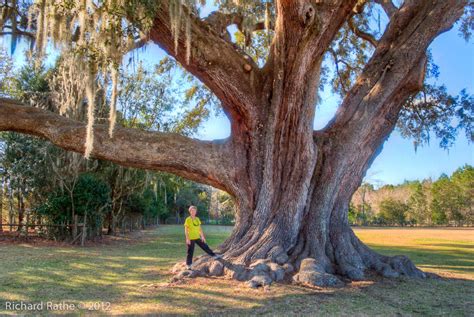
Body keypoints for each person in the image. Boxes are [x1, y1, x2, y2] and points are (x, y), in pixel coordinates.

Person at [184, 205, 221, 270]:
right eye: (192, 211)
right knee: (190, 252)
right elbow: (186, 230)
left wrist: (202, 237)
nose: (193, 212)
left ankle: (214, 255)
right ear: (190, 212)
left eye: (194, 211)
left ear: (196, 212)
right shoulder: (188, 220)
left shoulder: (197, 219)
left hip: (197, 237)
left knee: (205, 246)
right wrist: (187, 238)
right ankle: (188, 264)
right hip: (191, 238)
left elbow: (200, 229)